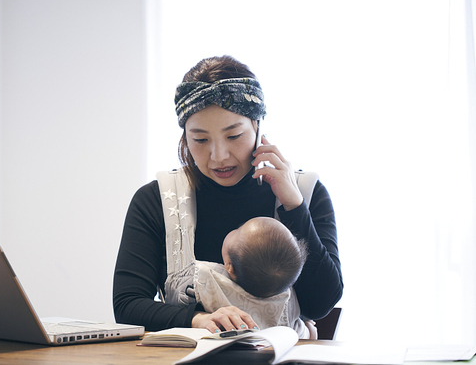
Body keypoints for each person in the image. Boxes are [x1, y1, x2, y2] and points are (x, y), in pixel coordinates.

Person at [113, 55, 343, 334]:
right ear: (184, 137)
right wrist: (197, 319)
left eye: (233, 136)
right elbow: (127, 305)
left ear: (257, 126)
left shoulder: (305, 193)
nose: (218, 156)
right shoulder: (157, 199)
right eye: (200, 139)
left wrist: (294, 208)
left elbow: (321, 305)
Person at [193, 216, 311, 337]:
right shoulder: (286, 294)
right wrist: (309, 332)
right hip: (269, 349)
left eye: (237, 231)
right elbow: (297, 330)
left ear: (230, 268)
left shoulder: (209, 276)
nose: (234, 229)